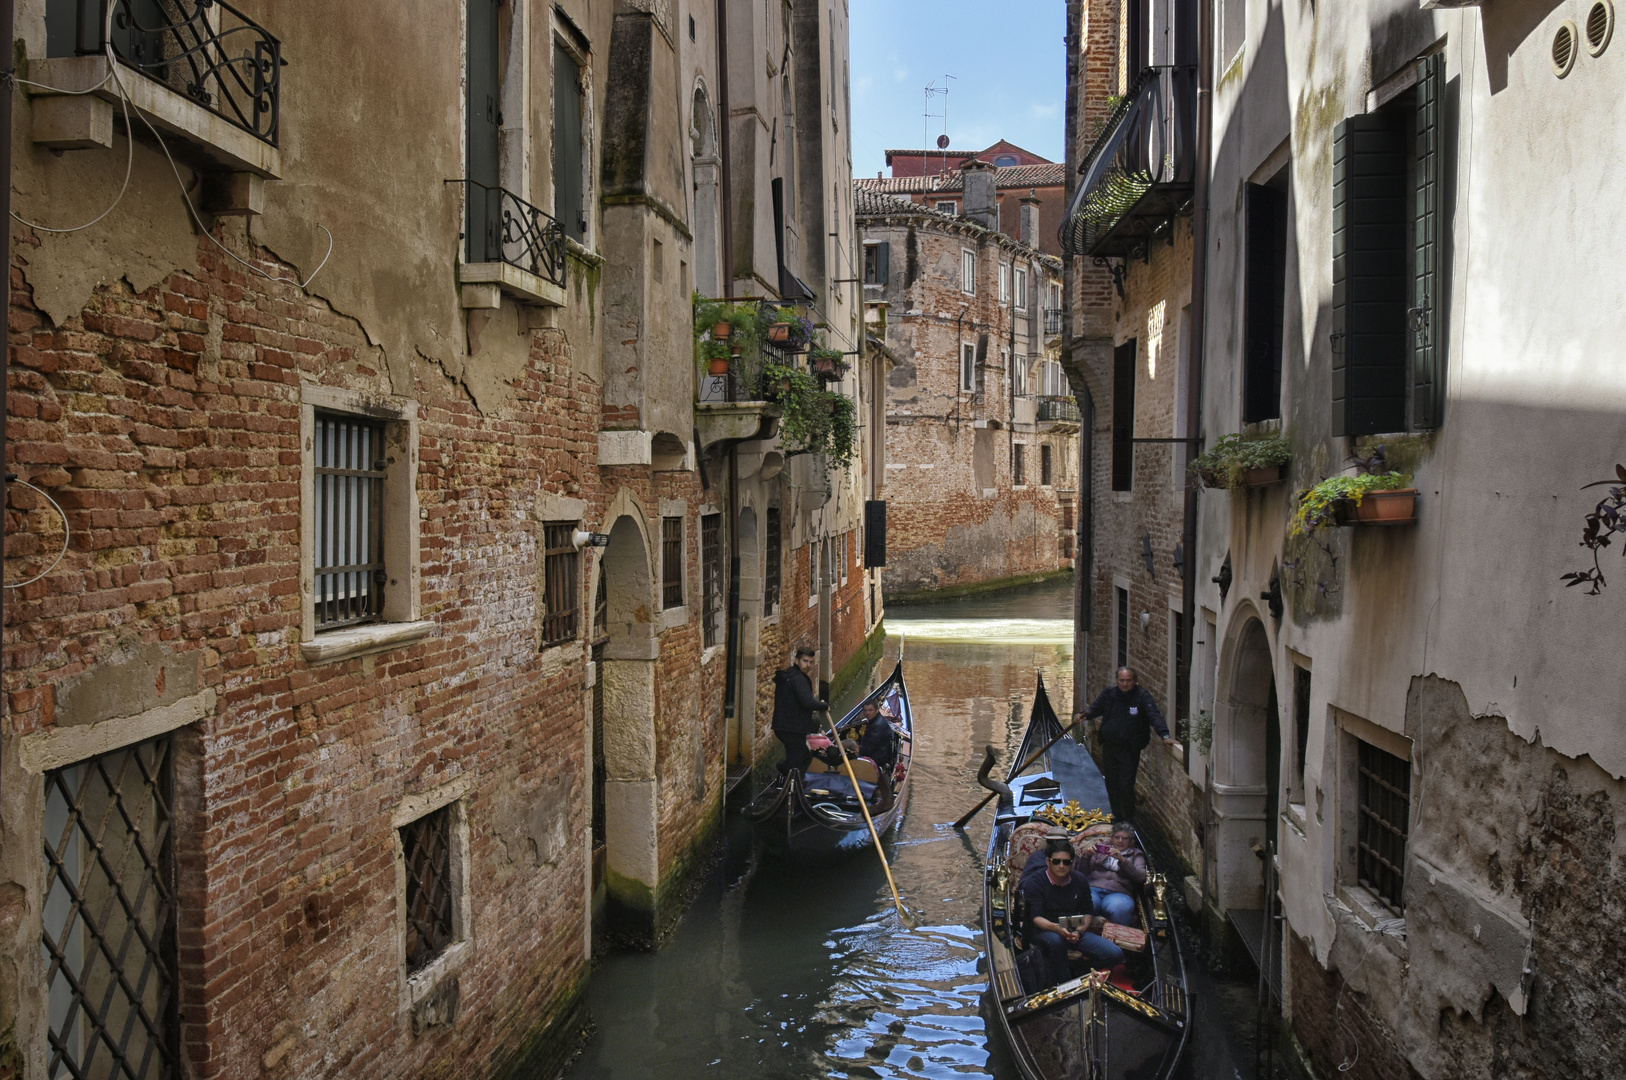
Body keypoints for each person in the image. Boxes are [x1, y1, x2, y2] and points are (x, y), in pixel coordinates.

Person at [1020, 838, 1125, 985]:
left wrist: (1079, 932)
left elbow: (1087, 912)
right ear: (1048, 862)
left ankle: (1078, 974)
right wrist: (1057, 929)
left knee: (1115, 954)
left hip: (1073, 931)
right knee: (1057, 942)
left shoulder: (1080, 880)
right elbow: (1036, 918)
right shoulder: (1035, 882)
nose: (1061, 866)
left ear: (1073, 863)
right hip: (1043, 931)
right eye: (1056, 862)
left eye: (1066, 862)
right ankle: (1066, 985)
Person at [1075, 667, 1174, 821]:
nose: (1125, 684)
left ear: (1135, 681)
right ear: (1117, 681)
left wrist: (1165, 735)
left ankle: (1128, 818)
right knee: (1111, 784)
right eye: (1122, 680)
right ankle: (1117, 816)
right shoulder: (1109, 694)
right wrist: (1083, 714)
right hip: (1109, 746)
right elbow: (1095, 708)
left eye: (1128, 680)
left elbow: (1154, 716)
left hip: (1130, 749)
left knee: (1126, 785)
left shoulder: (1142, 697)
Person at [772, 646, 827, 774]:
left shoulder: (789, 675)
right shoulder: (798, 679)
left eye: (811, 662)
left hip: (786, 726)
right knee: (800, 759)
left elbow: (795, 701)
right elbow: (807, 702)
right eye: (805, 661)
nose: (808, 665)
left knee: (801, 757)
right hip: (792, 728)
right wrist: (824, 706)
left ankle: (787, 776)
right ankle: (792, 786)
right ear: (797, 661)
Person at [1084, 822, 1148, 926]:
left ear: (1131, 841)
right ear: (1112, 838)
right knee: (1086, 902)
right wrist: (1086, 857)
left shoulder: (1136, 854)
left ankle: (1116, 938)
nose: (1120, 841)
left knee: (1120, 908)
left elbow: (1140, 877)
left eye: (1125, 838)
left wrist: (1122, 860)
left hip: (1119, 893)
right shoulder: (1101, 848)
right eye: (1117, 837)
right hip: (1093, 888)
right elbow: (1082, 872)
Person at [855, 700, 897, 772]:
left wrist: (855, 750)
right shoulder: (877, 720)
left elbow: (867, 750)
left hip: (877, 759)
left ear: (877, 710)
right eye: (865, 710)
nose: (867, 713)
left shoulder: (876, 726)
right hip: (882, 753)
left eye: (870, 710)